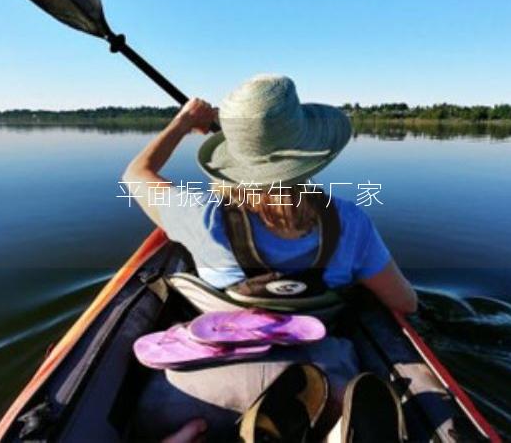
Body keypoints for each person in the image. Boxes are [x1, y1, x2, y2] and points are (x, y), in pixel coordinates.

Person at [123, 74, 417, 441]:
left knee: (153, 415)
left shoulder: (199, 213)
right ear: (310, 153)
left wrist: (182, 123)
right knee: (350, 397)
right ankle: (335, 432)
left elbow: (136, 175)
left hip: (199, 394)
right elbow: (405, 301)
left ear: (232, 158)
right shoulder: (351, 223)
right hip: (321, 384)